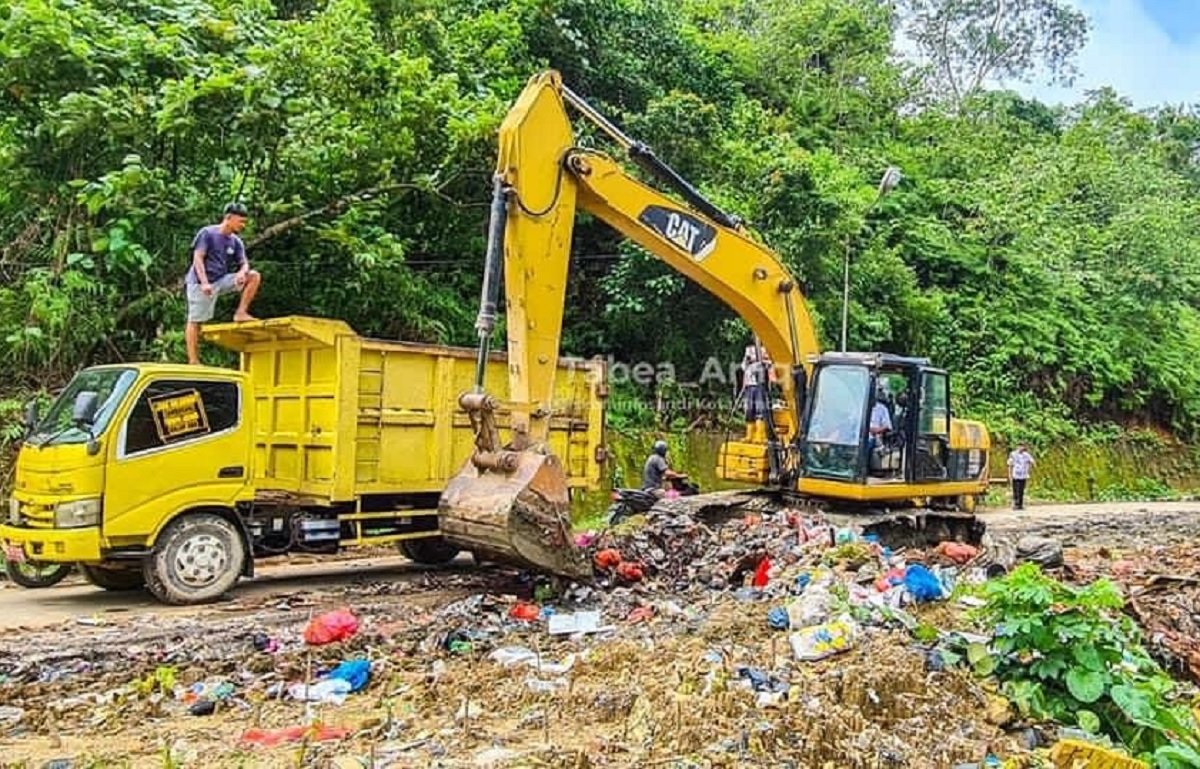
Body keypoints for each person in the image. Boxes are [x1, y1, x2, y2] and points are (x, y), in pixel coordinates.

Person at [185, 202, 262, 364]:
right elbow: (197, 258)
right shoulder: (207, 233)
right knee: (196, 320)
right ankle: (193, 359)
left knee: (253, 276)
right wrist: (205, 283)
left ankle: (241, 313)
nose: (243, 225)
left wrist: (242, 273)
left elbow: (244, 263)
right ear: (229, 218)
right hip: (200, 282)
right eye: (240, 221)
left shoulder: (235, 242)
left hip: (220, 280)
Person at [741, 340, 773, 423]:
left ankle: (760, 431)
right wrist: (749, 361)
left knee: (760, 409)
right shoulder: (749, 349)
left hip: (760, 385)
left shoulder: (765, 349)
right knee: (749, 409)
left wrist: (762, 361)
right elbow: (743, 366)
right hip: (750, 385)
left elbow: (770, 364)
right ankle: (750, 432)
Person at [1007, 442, 1035, 510]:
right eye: (1019, 446)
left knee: (1021, 490)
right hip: (1016, 475)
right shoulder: (1013, 454)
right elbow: (1010, 464)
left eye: (1022, 446)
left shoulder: (1026, 455)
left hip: (1023, 475)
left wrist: (1029, 468)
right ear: (1017, 447)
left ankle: (1020, 504)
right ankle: (1016, 504)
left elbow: (1032, 461)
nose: (1021, 448)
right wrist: (1009, 474)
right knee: (1016, 490)